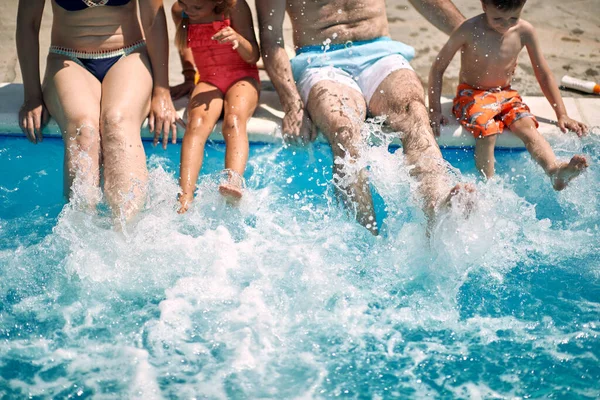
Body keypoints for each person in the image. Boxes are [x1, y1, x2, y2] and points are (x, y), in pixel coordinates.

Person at [257, 0, 473, 236]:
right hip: (320, 61)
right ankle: (365, 236)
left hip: (381, 54)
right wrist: (292, 104)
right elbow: (272, 39)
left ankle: (437, 207)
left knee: (414, 111)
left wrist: (476, 35)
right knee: (344, 130)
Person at [16, 0, 179, 222]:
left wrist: (162, 90)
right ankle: (82, 236)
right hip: (68, 58)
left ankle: (127, 232)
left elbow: (153, 19)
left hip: (127, 54)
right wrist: (32, 96)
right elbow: (28, 24)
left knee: (118, 123)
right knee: (84, 131)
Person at [429, 0, 588, 189]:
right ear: (484, 5)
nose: (505, 24)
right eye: (498, 18)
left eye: (513, 17)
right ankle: (488, 187)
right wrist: (435, 110)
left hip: (505, 93)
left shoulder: (524, 31)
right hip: (472, 94)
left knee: (528, 127)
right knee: (487, 131)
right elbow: (438, 68)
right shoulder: (468, 29)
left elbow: (543, 74)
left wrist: (561, 114)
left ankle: (555, 171)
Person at [174, 0, 260, 212]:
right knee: (196, 123)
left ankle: (233, 182)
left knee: (233, 119)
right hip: (209, 79)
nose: (189, 11)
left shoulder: (235, 7)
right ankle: (185, 195)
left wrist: (237, 39)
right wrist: (188, 78)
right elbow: (183, 48)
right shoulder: (180, 10)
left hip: (243, 77)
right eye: (185, 4)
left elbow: (254, 55)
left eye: (197, 7)